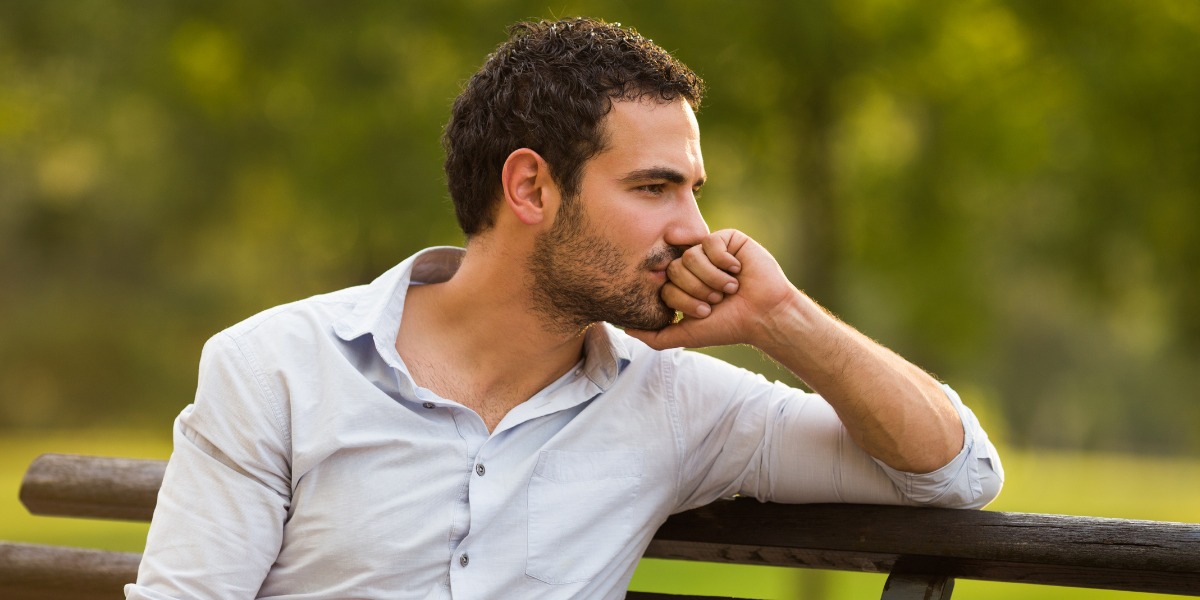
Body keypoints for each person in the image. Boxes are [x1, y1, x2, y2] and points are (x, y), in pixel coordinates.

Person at [125, 16, 1003, 600]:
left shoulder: (676, 403)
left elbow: (956, 473)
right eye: (654, 188)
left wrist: (782, 320)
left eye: (694, 190)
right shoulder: (276, 368)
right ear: (531, 187)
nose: (696, 230)